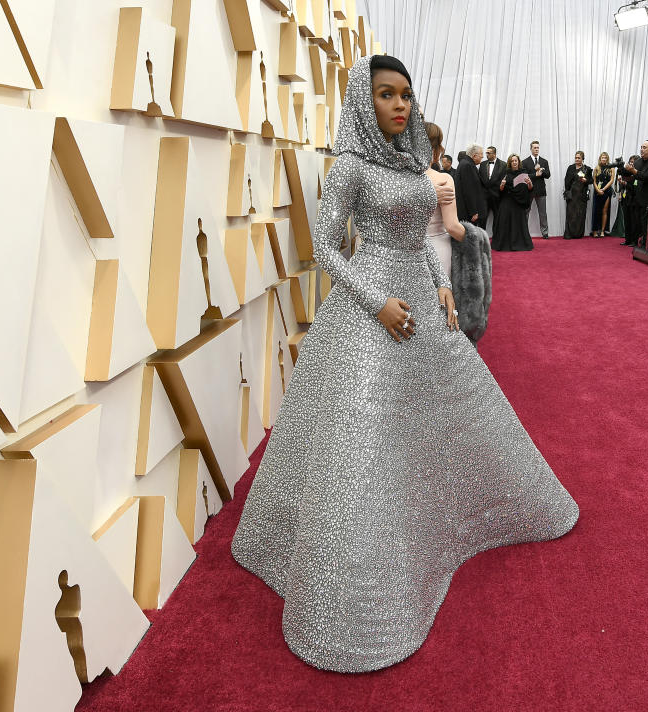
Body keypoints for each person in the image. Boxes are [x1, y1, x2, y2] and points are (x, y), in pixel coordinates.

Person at [230, 54, 578, 675]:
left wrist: (438, 283)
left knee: (446, 411)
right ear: (366, 103)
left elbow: (420, 234)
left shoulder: (409, 163)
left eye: (406, 95)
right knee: (362, 438)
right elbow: (324, 252)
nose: (399, 105)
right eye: (386, 95)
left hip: (418, 296)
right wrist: (375, 302)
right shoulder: (350, 170)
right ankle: (353, 589)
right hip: (369, 309)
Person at [424, 122, 466, 279]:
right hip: (437, 247)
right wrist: (477, 241)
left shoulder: (397, 179)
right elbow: (452, 226)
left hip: (404, 254)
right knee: (440, 298)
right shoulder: (443, 179)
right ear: (435, 149)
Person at [621, 141, 648, 246]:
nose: (642, 149)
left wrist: (633, 171)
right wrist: (621, 168)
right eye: (641, 147)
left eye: (644, 147)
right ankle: (636, 241)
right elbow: (629, 173)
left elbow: (646, 177)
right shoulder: (638, 161)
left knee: (645, 224)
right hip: (637, 198)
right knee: (636, 222)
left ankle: (646, 244)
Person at [491, 153, 533, 251]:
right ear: (509, 162)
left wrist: (530, 183)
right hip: (507, 201)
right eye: (512, 161)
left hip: (519, 203)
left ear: (518, 162)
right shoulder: (505, 173)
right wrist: (501, 185)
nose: (514, 162)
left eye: (516, 160)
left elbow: (529, 189)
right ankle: (503, 244)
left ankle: (519, 243)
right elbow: (500, 190)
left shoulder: (523, 173)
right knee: (504, 221)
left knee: (519, 223)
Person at [521, 141, 551, 238]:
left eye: (538, 147)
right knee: (526, 212)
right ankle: (524, 233)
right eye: (534, 148)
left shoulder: (544, 161)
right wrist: (535, 174)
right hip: (528, 191)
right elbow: (523, 176)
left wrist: (541, 171)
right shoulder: (524, 162)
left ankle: (545, 233)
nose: (536, 149)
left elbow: (548, 175)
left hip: (541, 191)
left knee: (543, 213)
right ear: (531, 149)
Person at [455, 143, 487, 226]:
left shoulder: (466, 163)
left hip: (466, 210)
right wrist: (473, 211)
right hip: (467, 212)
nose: (482, 157)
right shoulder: (467, 165)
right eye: (481, 154)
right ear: (474, 155)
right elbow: (468, 191)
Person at [563, 151, 590, 239]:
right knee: (570, 214)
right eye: (576, 158)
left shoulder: (587, 169)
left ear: (582, 159)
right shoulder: (570, 168)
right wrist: (567, 192)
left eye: (579, 158)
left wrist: (586, 180)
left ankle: (578, 234)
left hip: (581, 195)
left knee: (580, 214)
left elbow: (591, 181)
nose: (577, 159)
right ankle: (569, 234)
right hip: (572, 195)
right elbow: (566, 181)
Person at [479, 146, 507, 229]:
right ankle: (482, 237)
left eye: (488, 153)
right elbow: (480, 179)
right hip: (484, 196)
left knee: (497, 218)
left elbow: (503, 180)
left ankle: (496, 238)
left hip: (497, 195)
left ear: (494, 154)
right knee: (482, 219)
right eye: (486, 153)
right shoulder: (482, 164)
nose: (486, 155)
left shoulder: (503, 164)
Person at [590, 152, 615, 237]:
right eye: (602, 158)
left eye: (605, 158)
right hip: (597, 192)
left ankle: (602, 231)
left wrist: (604, 189)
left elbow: (611, 180)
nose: (603, 159)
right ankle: (595, 231)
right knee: (596, 211)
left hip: (607, 191)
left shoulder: (611, 168)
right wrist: (597, 190)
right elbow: (594, 180)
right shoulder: (596, 168)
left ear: (607, 159)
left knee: (604, 211)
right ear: (600, 159)